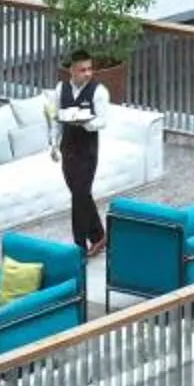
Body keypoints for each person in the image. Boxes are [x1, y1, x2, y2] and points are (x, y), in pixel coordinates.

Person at [52, 50, 110, 256]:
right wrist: (53, 144)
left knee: (79, 196)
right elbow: (56, 118)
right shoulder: (61, 89)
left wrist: (85, 123)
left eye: (89, 69)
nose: (87, 73)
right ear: (72, 70)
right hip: (67, 149)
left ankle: (79, 247)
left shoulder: (98, 91)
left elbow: (103, 120)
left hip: (87, 150)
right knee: (81, 194)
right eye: (82, 70)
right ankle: (99, 235)